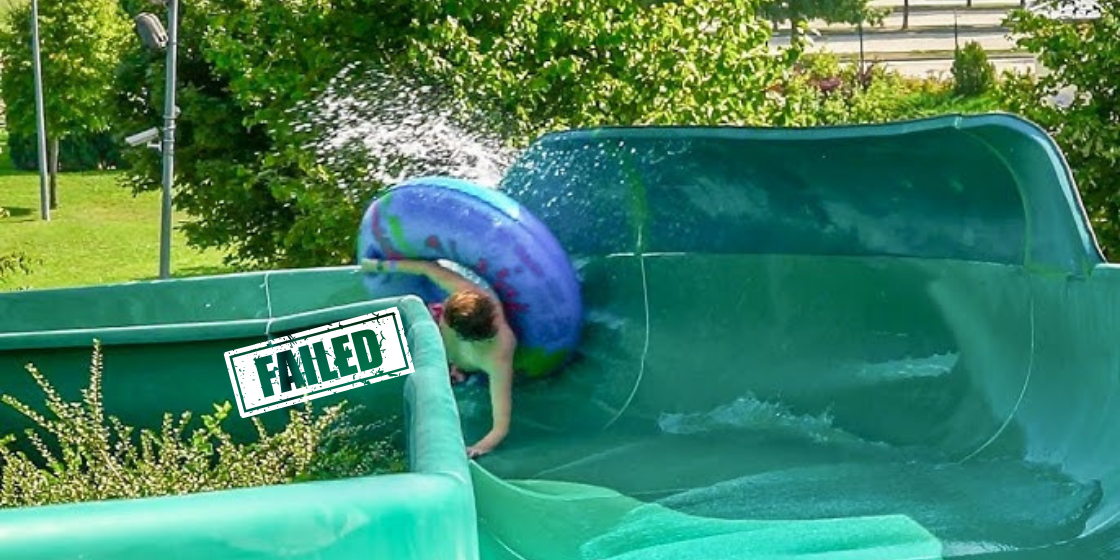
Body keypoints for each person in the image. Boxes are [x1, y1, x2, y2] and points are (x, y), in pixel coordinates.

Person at [361, 257, 516, 459]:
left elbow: (500, 426)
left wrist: (478, 448)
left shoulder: (498, 356)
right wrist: (378, 266)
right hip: (453, 344)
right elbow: (427, 268)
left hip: (460, 364)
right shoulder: (472, 296)